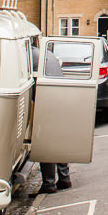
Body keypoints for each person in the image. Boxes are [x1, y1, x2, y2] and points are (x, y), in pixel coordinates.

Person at [30, 43, 72, 194]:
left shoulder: (28, 56)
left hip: (47, 100)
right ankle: (64, 177)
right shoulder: (47, 54)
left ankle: (49, 184)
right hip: (60, 97)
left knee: (45, 142)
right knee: (58, 140)